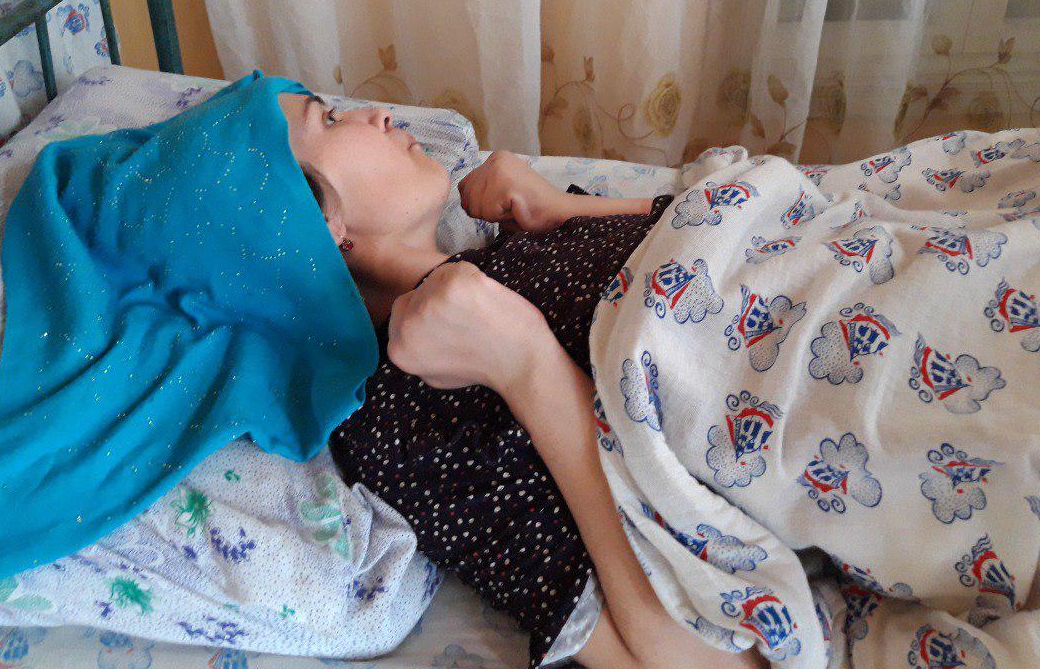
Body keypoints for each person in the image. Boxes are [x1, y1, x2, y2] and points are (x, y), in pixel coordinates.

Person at [277, 92, 762, 669]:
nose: (380, 114)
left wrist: (562, 208)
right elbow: (691, 658)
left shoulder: (516, 238)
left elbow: (721, 229)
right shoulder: (399, 416)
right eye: (330, 119)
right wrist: (527, 364)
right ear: (311, 222)